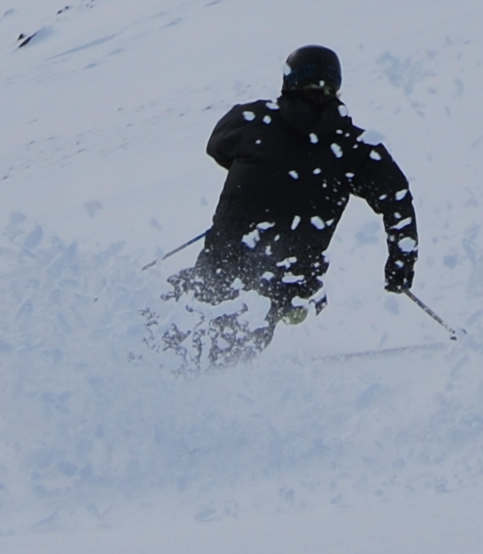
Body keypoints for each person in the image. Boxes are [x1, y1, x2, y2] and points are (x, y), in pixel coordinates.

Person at [165, 45, 418, 361]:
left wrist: (258, 171)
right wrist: (400, 265)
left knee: (176, 322)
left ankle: (138, 364)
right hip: (287, 280)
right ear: (336, 85)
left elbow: (217, 148)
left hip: (224, 257)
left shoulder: (253, 120)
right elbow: (397, 200)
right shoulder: (355, 146)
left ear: (289, 79)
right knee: (233, 343)